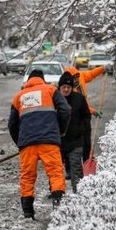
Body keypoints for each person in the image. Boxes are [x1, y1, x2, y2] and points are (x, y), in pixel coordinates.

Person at [8, 68, 71, 219]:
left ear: (29, 80)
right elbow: (66, 110)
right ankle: (58, 205)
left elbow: (12, 124)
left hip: (27, 144)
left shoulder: (18, 97)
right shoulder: (51, 90)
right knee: (55, 172)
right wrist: (61, 131)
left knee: (27, 177)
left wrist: (20, 142)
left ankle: (28, 212)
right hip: (49, 141)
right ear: (42, 79)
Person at [56, 72, 92, 193]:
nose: (66, 89)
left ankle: (79, 193)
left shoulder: (79, 99)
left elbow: (87, 116)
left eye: (68, 87)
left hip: (75, 140)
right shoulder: (53, 99)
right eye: (63, 87)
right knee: (56, 169)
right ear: (59, 87)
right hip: (58, 141)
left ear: (72, 87)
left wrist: (80, 129)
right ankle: (57, 193)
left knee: (75, 167)